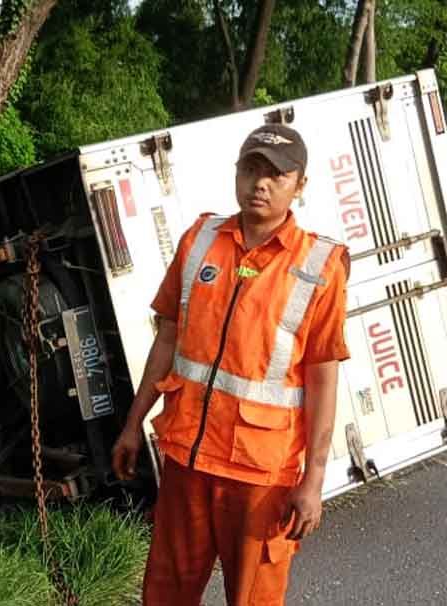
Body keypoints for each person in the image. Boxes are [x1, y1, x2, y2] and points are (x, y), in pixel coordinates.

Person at [111, 123, 350, 605]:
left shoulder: (321, 266)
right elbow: (166, 343)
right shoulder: (199, 239)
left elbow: (323, 380)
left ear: (300, 186)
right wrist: (133, 424)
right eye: (251, 169)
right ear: (237, 173)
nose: (260, 183)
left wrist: (314, 481)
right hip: (186, 460)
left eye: (277, 175)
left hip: (260, 476)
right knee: (165, 595)